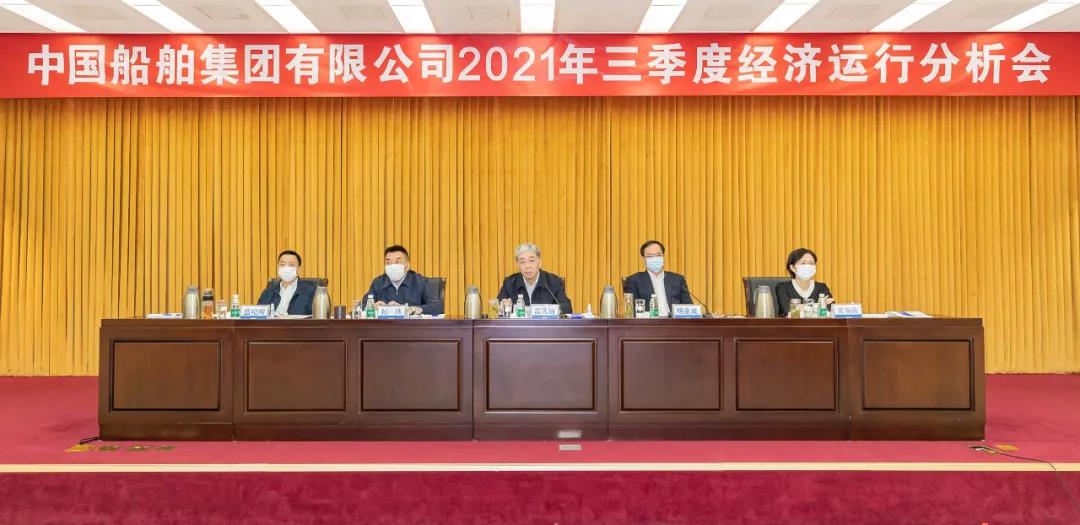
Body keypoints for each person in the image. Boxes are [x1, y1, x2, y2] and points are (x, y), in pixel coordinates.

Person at [363, 245, 444, 315]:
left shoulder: (421, 282)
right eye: (388, 263)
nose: (392, 266)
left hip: (412, 327)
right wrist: (373, 307)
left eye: (397, 262)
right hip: (384, 327)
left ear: (407, 266)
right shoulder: (378, 282)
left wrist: (411, 309)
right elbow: (361, 306)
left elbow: (437, 307)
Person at [497, 243, 573, 314]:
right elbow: (497, 307)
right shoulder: (509, 283)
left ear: (540, 263)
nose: (527, 266)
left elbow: (566, 308)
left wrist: (530, 310)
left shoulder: (554, 282)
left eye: (531, 260)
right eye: (522, 262)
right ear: (517, 266)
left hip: (545, 324)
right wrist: (502, 305)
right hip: (518, 324)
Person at [622, 240, 692, 317]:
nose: (655, 258)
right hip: (649, 323)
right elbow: (632, 311)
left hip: (674, 322)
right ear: (643, 258)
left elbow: (688, 307)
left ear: (663, 256)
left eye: (658, 255)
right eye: (650, 256)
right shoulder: (634, 280)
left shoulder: (677, 279)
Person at [775, 247, 834, 317]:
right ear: (792, 268)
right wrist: (817, 306)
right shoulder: (783, 287)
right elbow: (787, 310)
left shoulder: (822, 288)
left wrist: (799, 307)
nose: (807, 266)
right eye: (803, 263)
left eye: (811, 263)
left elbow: (830, 309)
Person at [257, 250, 317, 316]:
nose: (286, 268)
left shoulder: (312, 292)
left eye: (291, 265)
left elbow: (316, 318)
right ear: (278, 267)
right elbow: (258, 316)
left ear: (299, 269)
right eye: (282, 264)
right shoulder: (268, 292)